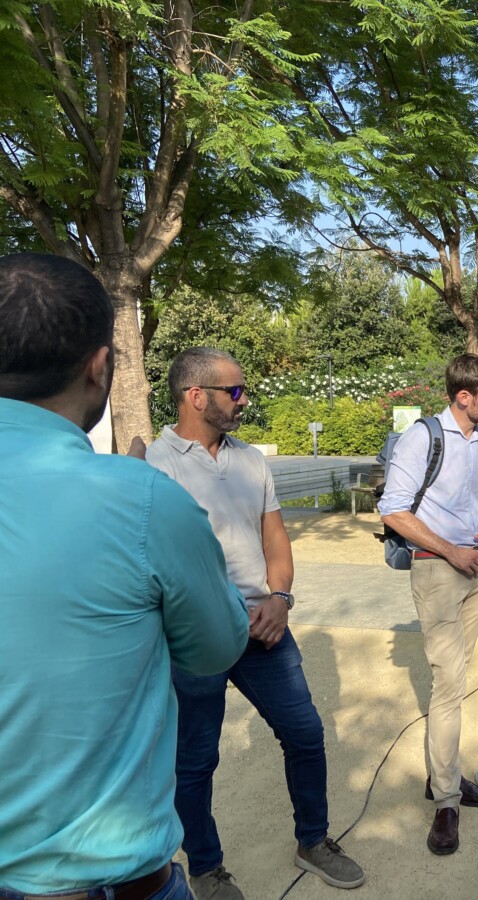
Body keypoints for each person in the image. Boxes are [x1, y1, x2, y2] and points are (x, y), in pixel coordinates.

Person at [0, 254, 248, 898]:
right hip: (105, 875)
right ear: (100, 365)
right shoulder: (141, 495)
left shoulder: (225, 468)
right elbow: (215, 646)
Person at [146, 348, 364, 897]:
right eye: (234, 391)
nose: (245, 400)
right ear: (197, 396)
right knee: (196, 758)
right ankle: (206, 867)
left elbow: (274, 538)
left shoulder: (250, 460)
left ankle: (313, 841)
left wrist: (281, 597)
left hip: (265, 627)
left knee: (306, 733)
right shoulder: (155, 465)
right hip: (194, 637)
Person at [378, 354, 478, 856]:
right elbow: (393, 508)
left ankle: (442, 776)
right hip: (438, 570)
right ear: (464, 397)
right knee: (448, 683)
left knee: (456, 679)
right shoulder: (422, 437)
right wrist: (452, 550)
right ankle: (447, 801)